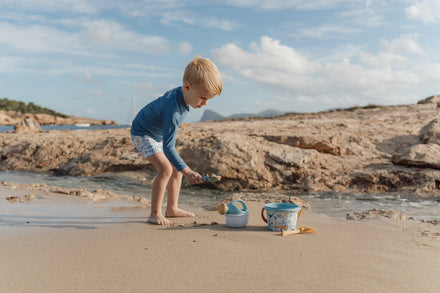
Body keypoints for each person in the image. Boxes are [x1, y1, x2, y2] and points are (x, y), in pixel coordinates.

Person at [130, 56, 222, 225]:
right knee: (165, 168)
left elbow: (168, 140)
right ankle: (155, 213)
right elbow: (168, 147)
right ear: (187, 86)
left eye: (209, 99)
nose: (205, 103)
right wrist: (188, 171)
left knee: (177, 168)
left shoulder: (184, 96)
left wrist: (182, 169)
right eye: (203, 98)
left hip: (156, 135)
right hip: (142, 133)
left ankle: (171, 208)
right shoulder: (173, 110)